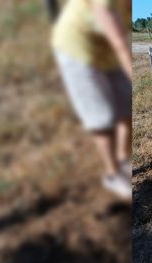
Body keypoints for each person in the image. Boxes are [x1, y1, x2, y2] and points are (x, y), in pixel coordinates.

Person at [51, 0, 132, 198]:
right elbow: (120, 44)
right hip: (77, 49)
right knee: (102, 118)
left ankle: (123, 160)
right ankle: (112, 175)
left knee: (126, 106)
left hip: (106, 51)